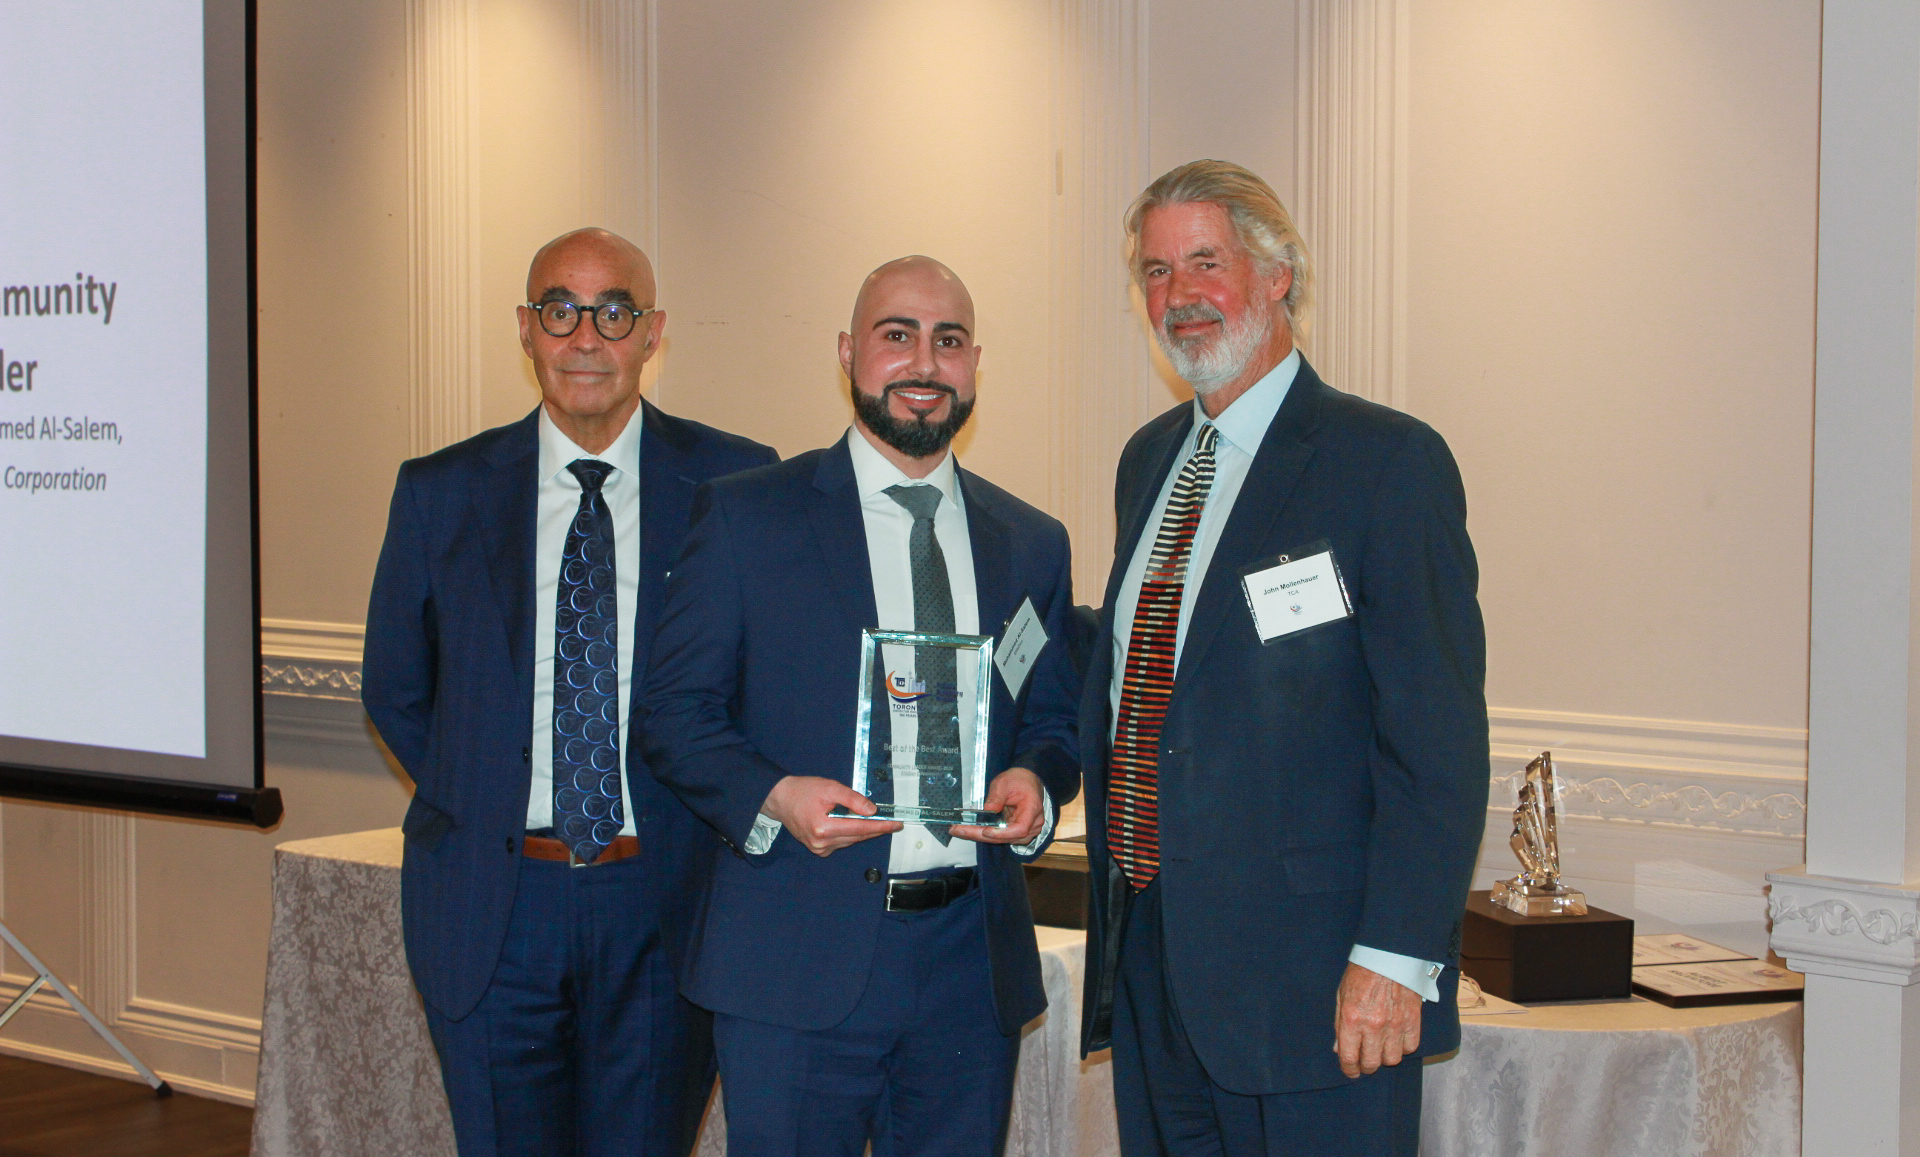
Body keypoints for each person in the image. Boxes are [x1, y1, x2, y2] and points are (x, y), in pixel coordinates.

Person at [1077, 160, 1488, 1157]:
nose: (1179, 295)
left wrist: (1395, 956)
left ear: (1277, 275)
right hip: (1156, 964)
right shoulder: (1148, 460)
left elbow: (1435, 741)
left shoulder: (1385, 463)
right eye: (1156, 272)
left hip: (1321, 989)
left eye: (1205, 263)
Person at [639, 256, 1081, 1157]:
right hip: (795, 958)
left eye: (948, 340)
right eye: (897, 335)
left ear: (974, 364)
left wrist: (1037, 779)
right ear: (848, 353)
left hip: (968, 969)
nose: (924, 362)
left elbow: (1055, 719)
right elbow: (673, 713)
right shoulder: (748, 517)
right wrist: (775, 796)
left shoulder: (1031, 543)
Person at [362, 227, 777, 1157]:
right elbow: (394, 685)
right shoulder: (440, 491)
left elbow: (760, 683)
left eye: (614, 311)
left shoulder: (736, 483)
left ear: (652, 332)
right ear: (526, 328)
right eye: (560, 310)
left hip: (664, 903)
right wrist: (483, 794)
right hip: (495, 906)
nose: (586, 337)